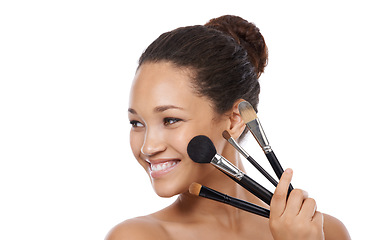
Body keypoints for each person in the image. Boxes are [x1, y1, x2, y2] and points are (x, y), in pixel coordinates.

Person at [106, 15, 350, 239]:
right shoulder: (137, 236)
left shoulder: (326, 231)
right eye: (136, 123)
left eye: (170, 120)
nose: (148, 146)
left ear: (234, 120)